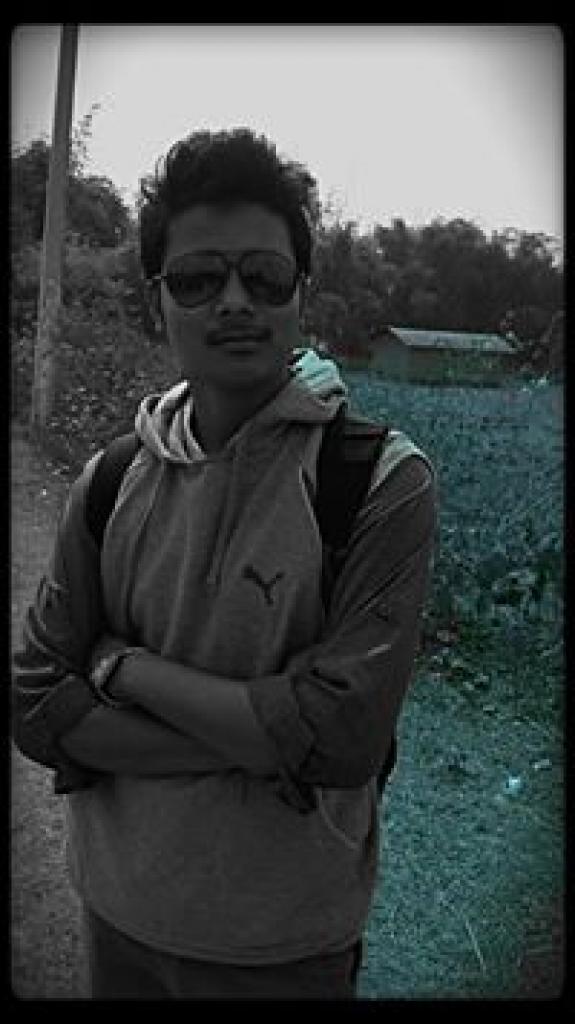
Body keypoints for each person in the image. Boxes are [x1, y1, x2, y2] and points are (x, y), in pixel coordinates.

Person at [12, 127, 437, 1000]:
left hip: (285, 942)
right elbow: (33, 701)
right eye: (199, 279)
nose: (234, 301)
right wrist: (264, 743)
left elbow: (341, 738)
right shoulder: (110, 480)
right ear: (156, 301)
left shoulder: (378, 482)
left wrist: (123, 668)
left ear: (300, 293)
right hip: (116, 913)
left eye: (264, 276)